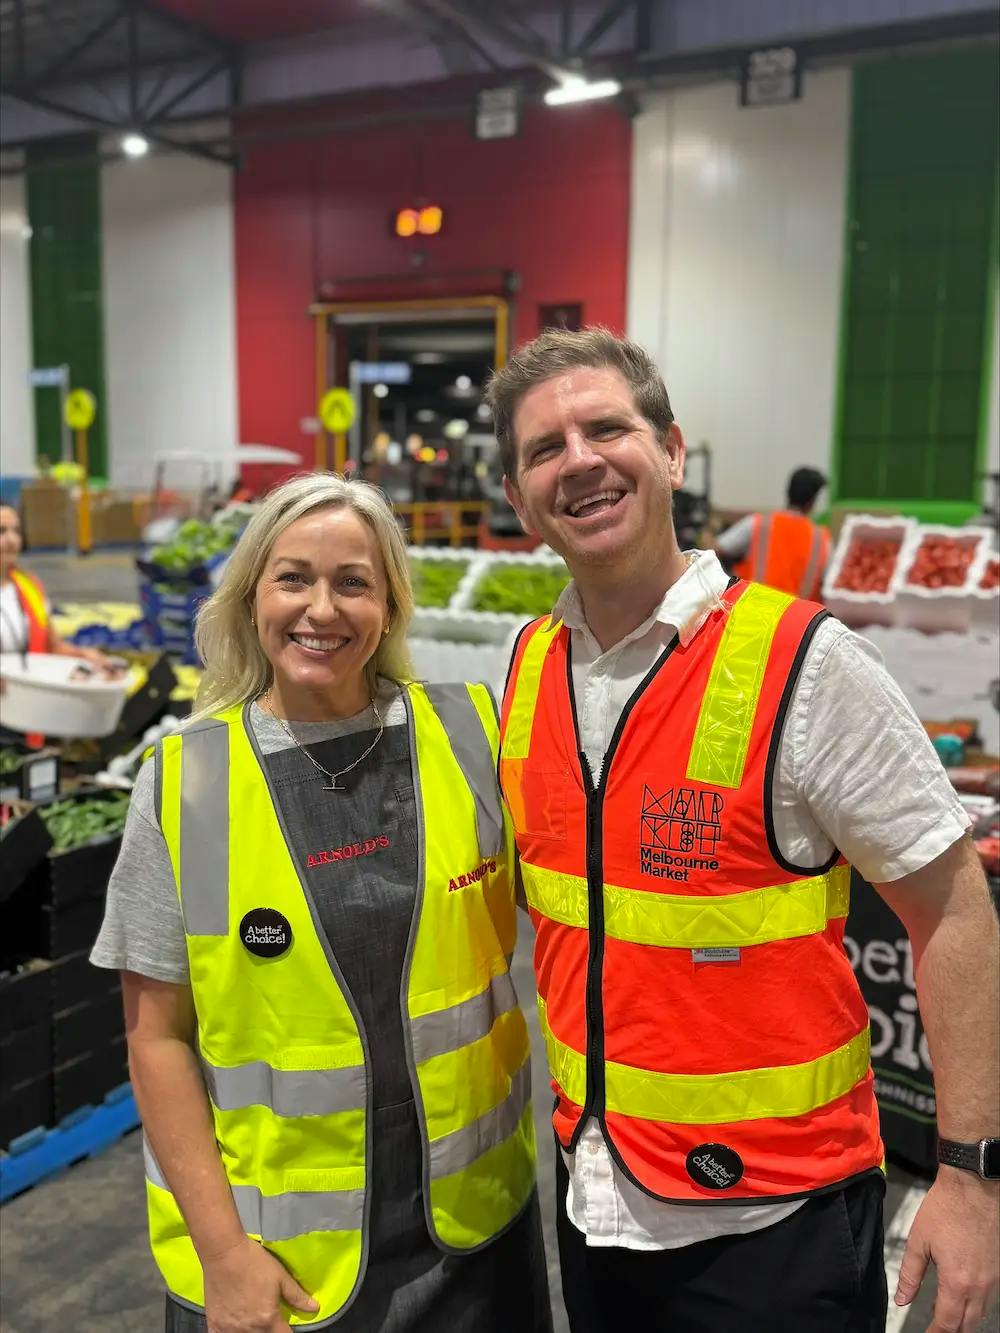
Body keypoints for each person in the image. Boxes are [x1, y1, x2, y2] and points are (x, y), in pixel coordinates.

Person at [486, 327, 999, 1333]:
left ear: (670, 451)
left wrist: (970, 1175)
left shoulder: (808, 662)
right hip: (593, 1193)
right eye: (543, 449)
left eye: (606, 428)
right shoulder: (526, 663)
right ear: (517, 498)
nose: (579, 460)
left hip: (774, 1220)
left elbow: (955, 916)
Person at [91, 473, 551, 1333]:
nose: (321, 609)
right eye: (293, 577)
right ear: (251, 594)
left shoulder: (469, 735)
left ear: (390, 605)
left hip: (476, 1228)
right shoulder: (185, 786)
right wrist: (225, 1253)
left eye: (353, 582)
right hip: (279, 1262)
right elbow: (156, 1039)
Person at [0, 502, 121, 743]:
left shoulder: (29, 586)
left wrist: (85, 656)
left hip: (20, 709)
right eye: (2, 531)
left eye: (16, 531)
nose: (12, 539)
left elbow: (51, 645)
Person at [714, 466, 830, 598]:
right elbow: (828, 586)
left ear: (788, 492)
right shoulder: (821, 539)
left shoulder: (759, 523)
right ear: (812, 501)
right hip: (799, 617)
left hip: (751, 611)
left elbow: (716, 548)